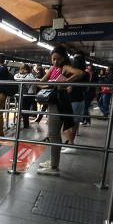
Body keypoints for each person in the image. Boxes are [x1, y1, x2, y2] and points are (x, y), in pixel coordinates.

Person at [36, 46, 83, 176]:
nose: (55, 62)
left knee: (54, 134)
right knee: (52, 134)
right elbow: (41, 82)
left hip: (60, 103)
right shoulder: (52, 68)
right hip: (51, 102)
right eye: (53, 59)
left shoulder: (65, 67)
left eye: (58, 59)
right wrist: (50, 85)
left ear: (64, 58)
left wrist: (66, 82)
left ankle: (54, 166)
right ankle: (53, 161)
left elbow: (80, 73)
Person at [62, 55, 90, 153]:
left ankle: (71, 144)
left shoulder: (71, 72)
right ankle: (70, 143)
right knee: (75, 124)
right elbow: (86, 88)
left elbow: (66, 86)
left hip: (72, 100)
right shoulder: (86, 74)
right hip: (81, 100)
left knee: (67, 124)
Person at [14, 63, 36, 129]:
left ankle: (25, 124)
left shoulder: (30, 75)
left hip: (27, 95)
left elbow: (29, 80)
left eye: (25, 69)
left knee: (24, 110)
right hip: (22, 95)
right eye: (22, 69)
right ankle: (25, 124)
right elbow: (16, 77)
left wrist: (22, 78)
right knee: (23, 109)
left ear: (28, 70)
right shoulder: (19, 75)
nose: (23, 71)